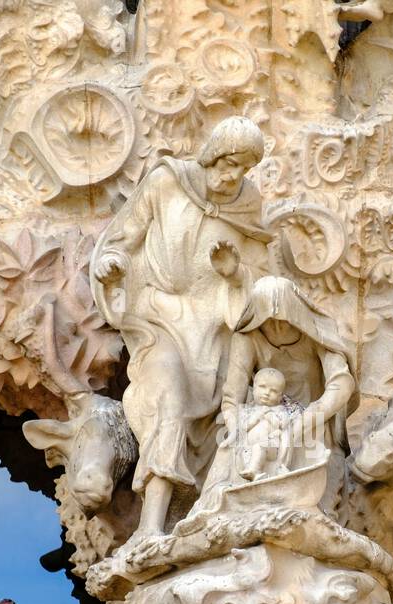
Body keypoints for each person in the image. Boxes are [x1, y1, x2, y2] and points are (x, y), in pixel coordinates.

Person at [91, 116, 273, 539]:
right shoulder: (166, 182)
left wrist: (234, 274)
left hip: (213, 330)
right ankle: (150, 527)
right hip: (159, 320)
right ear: (211, 155)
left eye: (243, 170)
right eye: (228, 164)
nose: (233, 177)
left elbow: (260, 279)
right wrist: (111, 263)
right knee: (167, 402)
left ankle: (210, 518)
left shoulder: (247, 208)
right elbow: (124, 238)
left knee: (234, 418)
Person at [236, 367, 297, 482]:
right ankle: (253, 469)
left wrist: (270, 418)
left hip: (271, 447)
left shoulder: (279, 410)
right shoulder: (248, 410)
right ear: (253, 388)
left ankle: (255, 470)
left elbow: (283, 426)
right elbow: (243, 428)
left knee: (261, 446)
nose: (267, 393)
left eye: (273, 391)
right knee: (257, 447)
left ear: (280, 396)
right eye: (262, 387)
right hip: (248, 447)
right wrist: (256, 417)